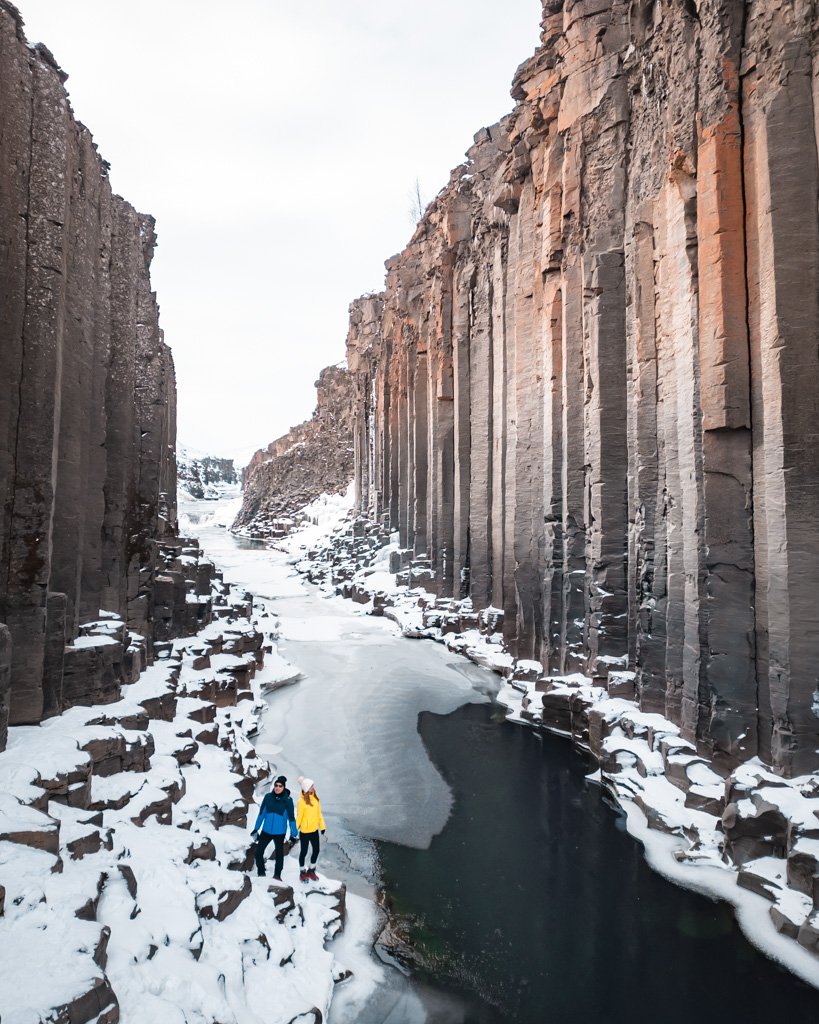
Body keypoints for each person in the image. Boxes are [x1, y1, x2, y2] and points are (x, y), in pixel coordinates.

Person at [251, 775, 298, 880]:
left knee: (279, 855)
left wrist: (293, 834)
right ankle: (261, 873)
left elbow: (291, 818)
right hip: (266, 831)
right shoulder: (268, 797)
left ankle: (277, 876)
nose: (277, 787)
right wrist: (256, 829)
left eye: (280, 786)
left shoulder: (288, 801)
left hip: (279, 833)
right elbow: (261, 814)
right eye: (276, 785)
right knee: (259, 853)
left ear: (283, 787)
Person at [296, 776, 326, 882]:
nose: (313, 787)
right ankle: (302, 871)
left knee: (316, 850)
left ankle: (311, 869)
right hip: (304, 831)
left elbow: (319, 815)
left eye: (313, 785)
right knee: (303, 852)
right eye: (311, 786)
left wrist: (322, 827)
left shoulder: (316, 800)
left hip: (314, 831)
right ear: (307, 788)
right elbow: (299, 817)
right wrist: (295, 830)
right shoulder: (301, 802)